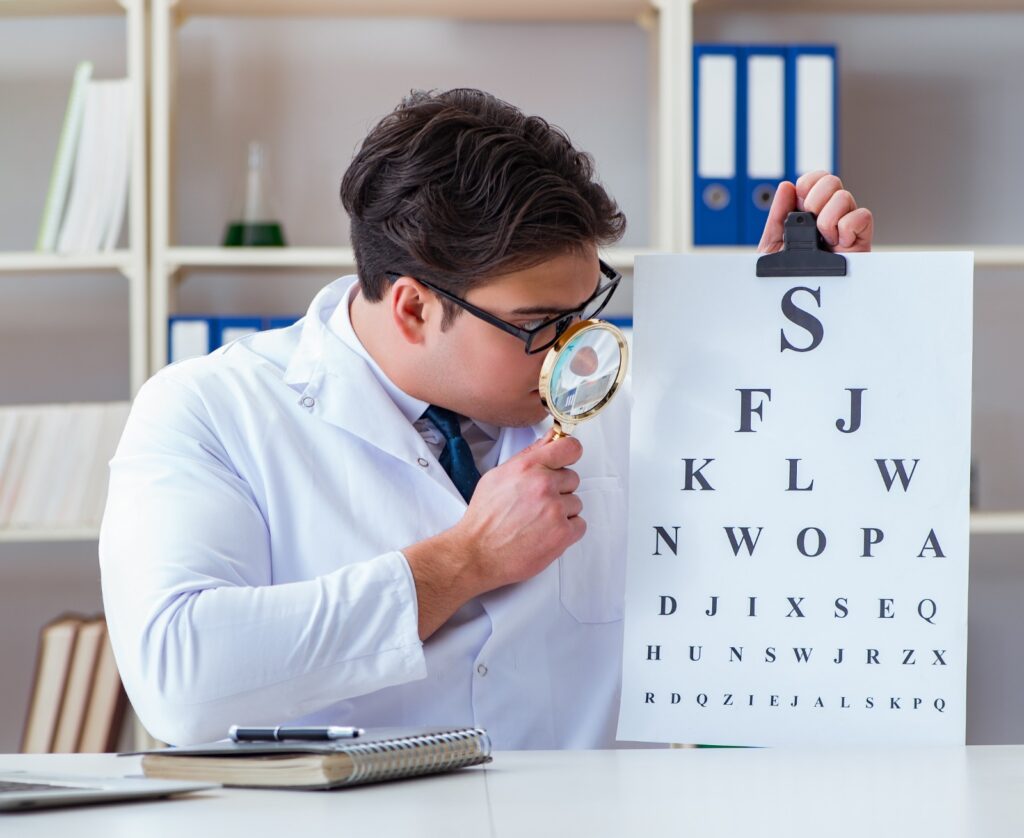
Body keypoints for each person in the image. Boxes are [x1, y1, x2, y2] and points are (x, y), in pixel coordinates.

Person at [99, 88, 873, 748]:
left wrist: (796, 326)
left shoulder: (617, 403)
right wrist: (462, 561)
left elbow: (786, 525)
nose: (578, 355)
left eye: (587, 311)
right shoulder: (207, 411)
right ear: (412, 307)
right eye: (540, 323)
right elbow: (180, 681)